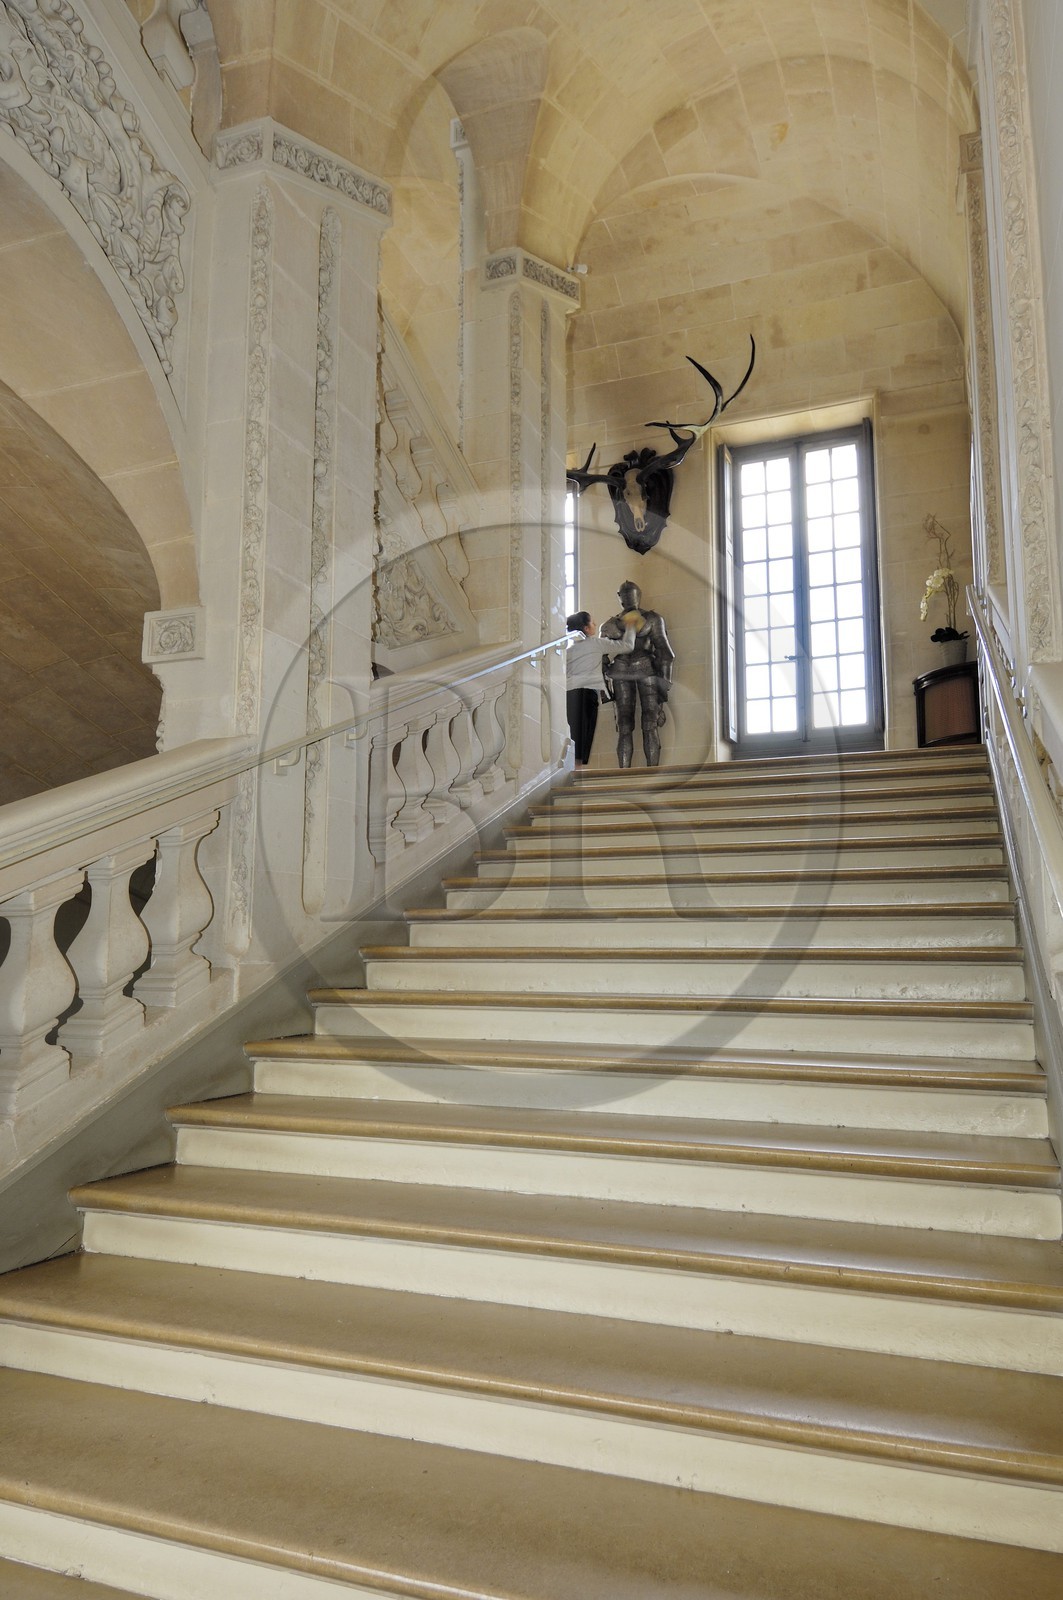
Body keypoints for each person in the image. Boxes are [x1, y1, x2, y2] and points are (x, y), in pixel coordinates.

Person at [600, 581, 676, 767]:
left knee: (624, 726)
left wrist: (603, 689)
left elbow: (599, 661)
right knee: (649, 723)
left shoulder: (610, 624)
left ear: (619, 597)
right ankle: (651, 770)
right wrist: (664, 686)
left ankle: (624, 773)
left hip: (620, 672)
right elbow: (666, 654)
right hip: (645, 670)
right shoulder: (652, 619)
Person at [565, 610, 635, 769]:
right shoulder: (596, 643)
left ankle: (574, 770)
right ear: (586, 628)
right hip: (586, 692)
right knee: (585, 734)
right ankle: (576, 773)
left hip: (569, 693)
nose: (595, 625)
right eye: (592, 623)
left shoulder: (568, 651)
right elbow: (627, 646)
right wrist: (630, 627)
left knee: (575, 734)